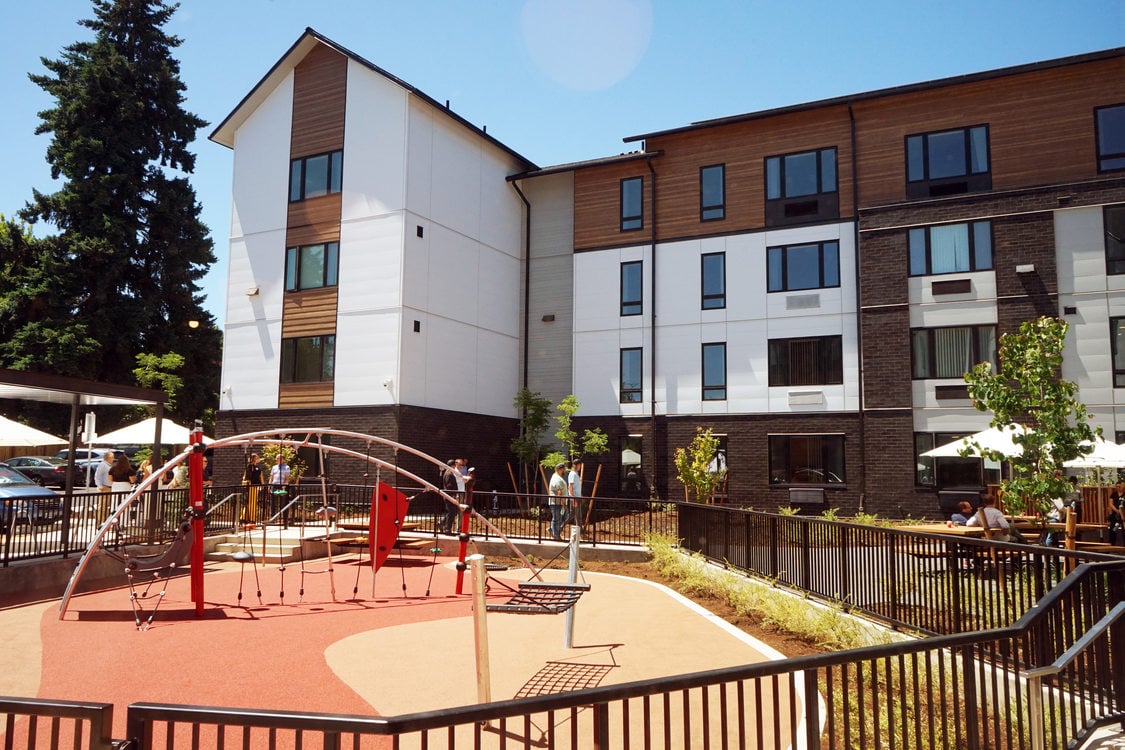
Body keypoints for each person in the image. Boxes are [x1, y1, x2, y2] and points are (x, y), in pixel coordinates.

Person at [440, 459, 464, 534]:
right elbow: (450, 486)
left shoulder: (446, 474)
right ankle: (448, 529)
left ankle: (442, 523)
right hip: (450, 496)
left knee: (449, 512)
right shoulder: (449, 474)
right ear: (452, 466)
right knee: (451, 513)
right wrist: (454, 496)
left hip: (448, 496)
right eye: (454, 466)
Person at [548, 461, 569, 541]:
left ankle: (552, 529)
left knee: (564, 517)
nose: (564, 471)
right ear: (560, 469)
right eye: (564, 469)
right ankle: (556, 535)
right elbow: (559, 492)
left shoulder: (558, 477)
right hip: (557, 503)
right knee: (557, 518)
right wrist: (563, 503)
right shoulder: (556, 478)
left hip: (559, 503)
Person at [241, 453, 263, 524]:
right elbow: (247, 476)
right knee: (251, 502)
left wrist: (261, 484)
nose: (258, 458)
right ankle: (251, 518)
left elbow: (259, 477)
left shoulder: (257, 467)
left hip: (256, 486)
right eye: (256, 457)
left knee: (252, 502)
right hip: (251, 486)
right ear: (253, 458)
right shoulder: (250, 466)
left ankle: (244, 517)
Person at [93, 451, 113, 523]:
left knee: (106, 506)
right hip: (105, 488)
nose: (113, 459)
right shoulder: (103, 465)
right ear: (109, 458)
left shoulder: (108, 465)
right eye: (112, 457)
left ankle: (105, 520)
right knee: (102, 506)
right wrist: (100, 486)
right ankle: (101, 521)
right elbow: (97, 476)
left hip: (109, 487)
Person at [567, 458, 583, 526]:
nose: (580, 467)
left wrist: (581, 495)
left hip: (577, 497)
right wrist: (574, 499)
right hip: (574, 498)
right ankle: (557, 528)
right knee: (576, 515)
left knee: (575, 515)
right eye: (580, 465)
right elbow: (570, 487)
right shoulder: (573, 474)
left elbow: (576, 487)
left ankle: (579, 530)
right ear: (577, 465)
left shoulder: (576, 474)